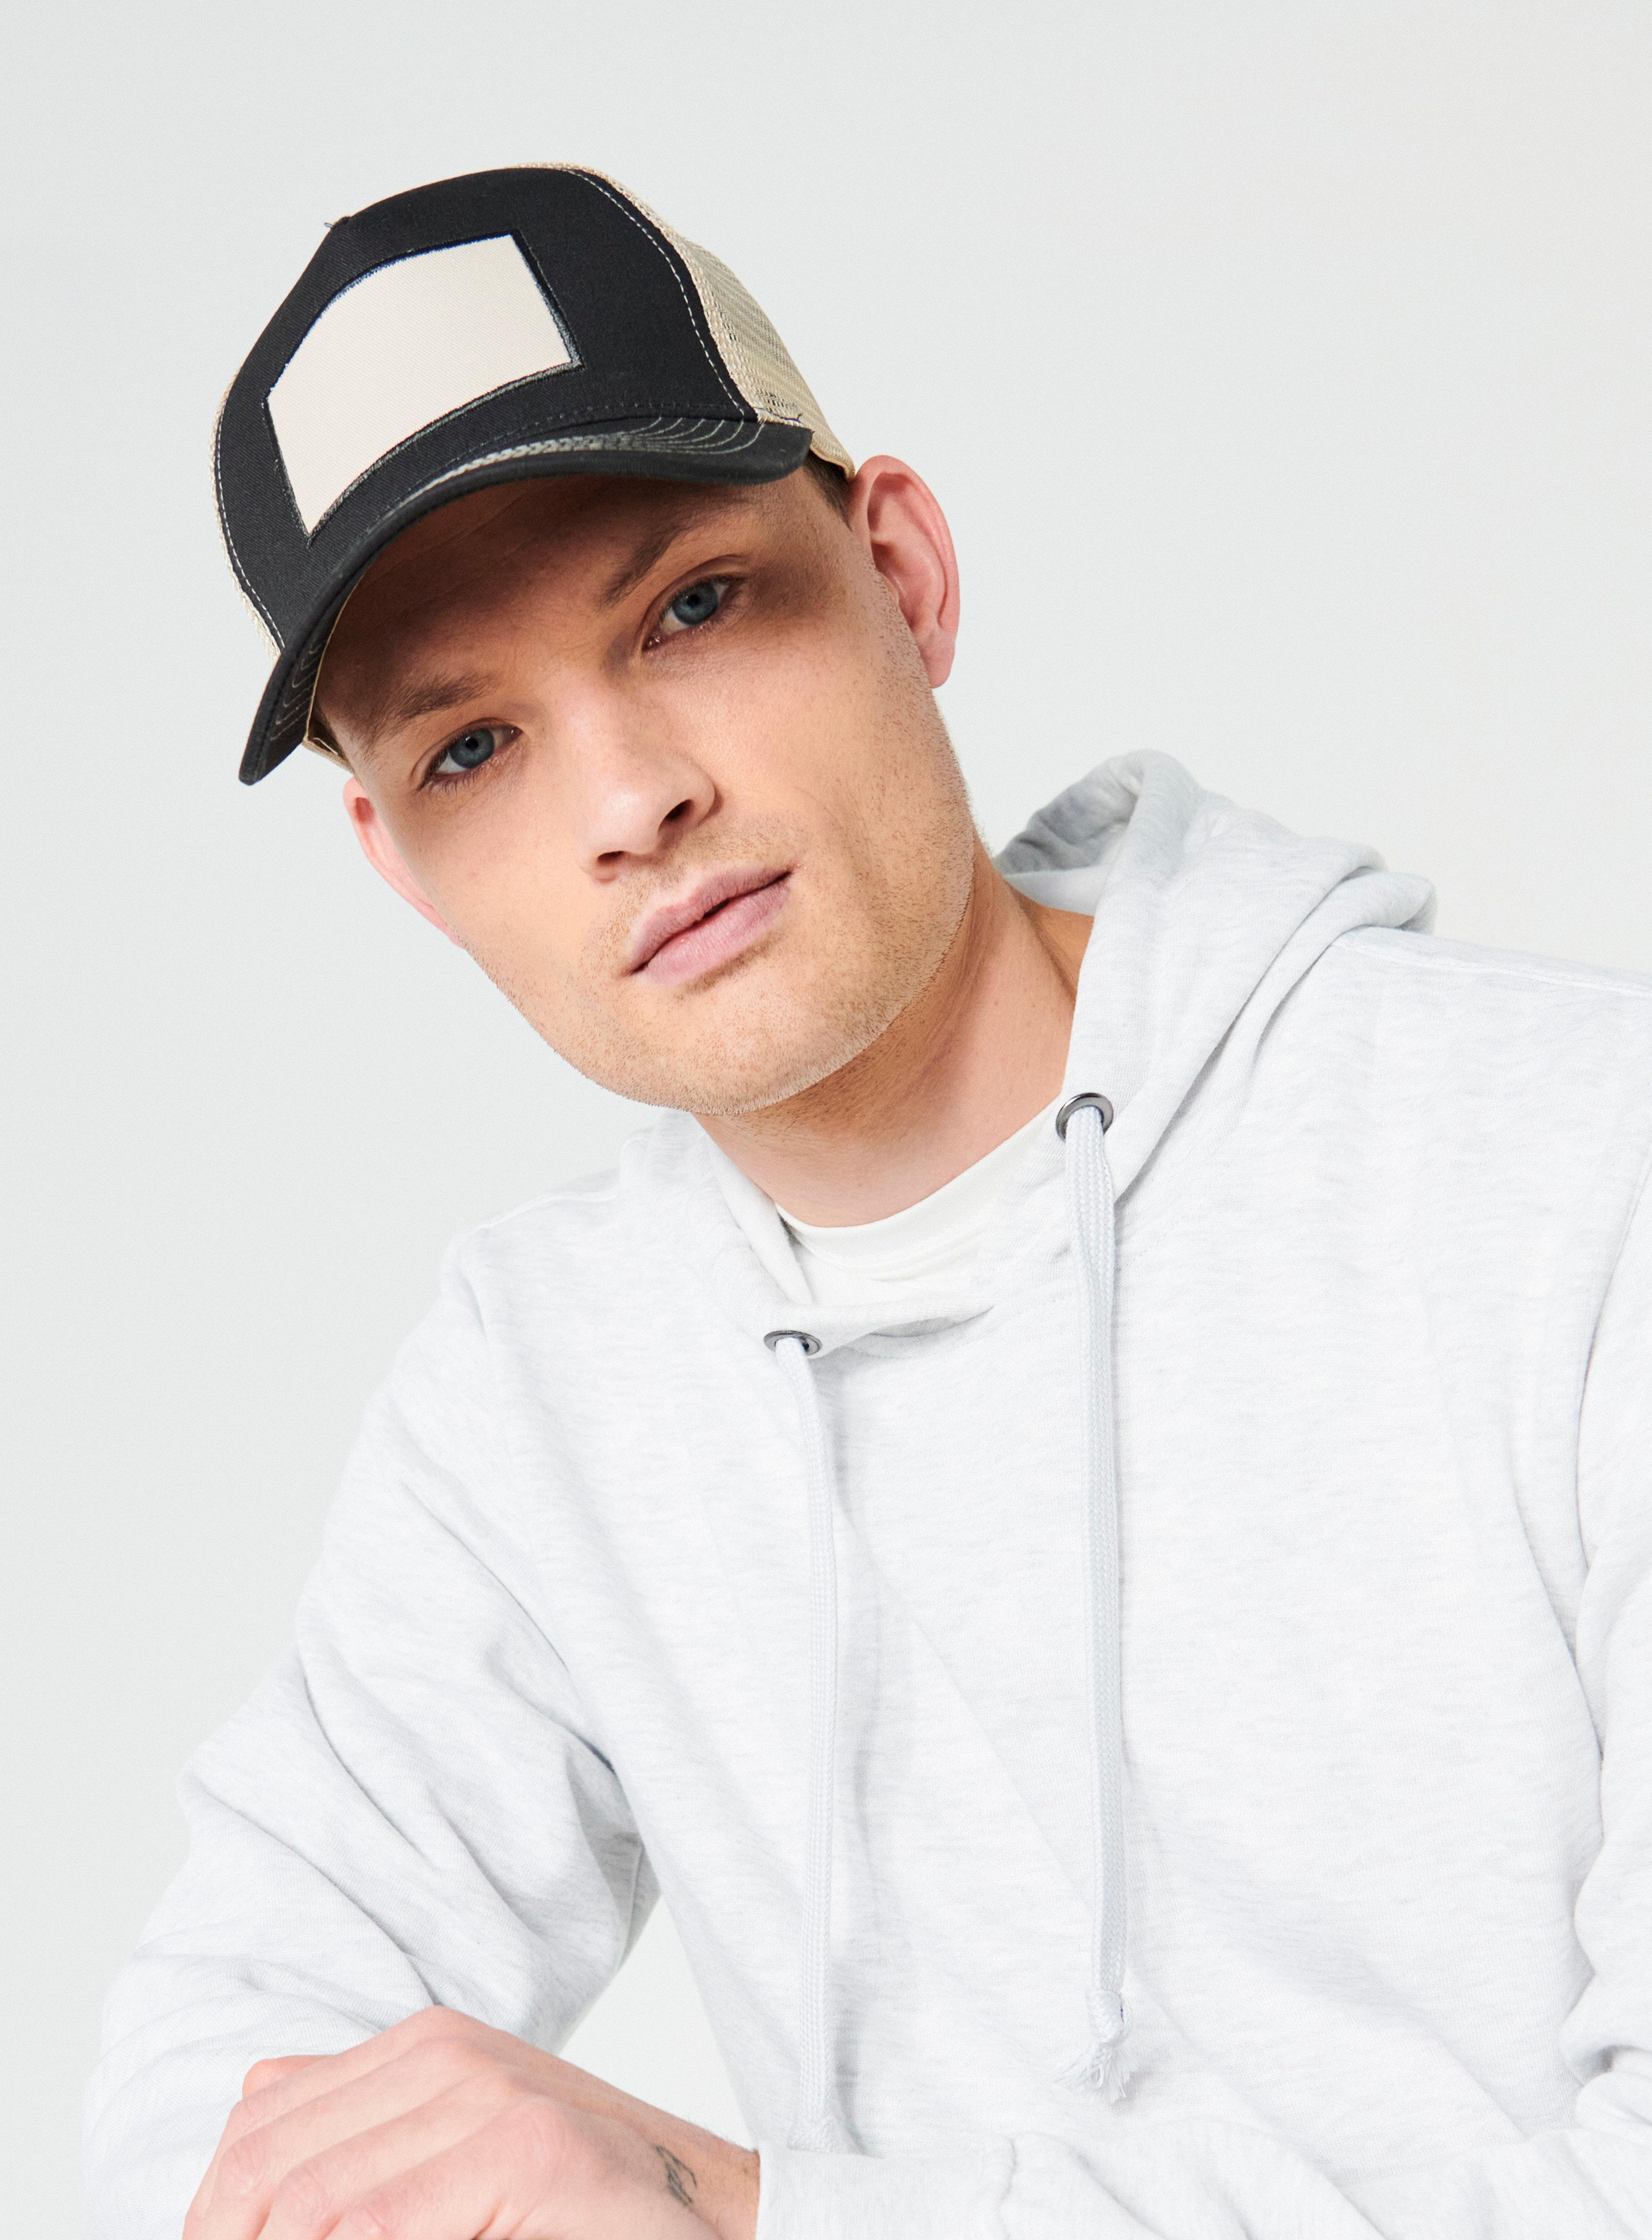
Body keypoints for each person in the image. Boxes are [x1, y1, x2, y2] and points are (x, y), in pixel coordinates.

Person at [86, 165, 1652, 2240]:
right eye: (472, 750)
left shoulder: (1574, 1165)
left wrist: (755, 2212)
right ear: (401, 870)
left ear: (902, 574)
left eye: (691, 609)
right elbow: (218, 2094)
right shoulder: (547, 1383)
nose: (631, 800)